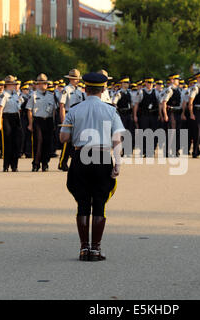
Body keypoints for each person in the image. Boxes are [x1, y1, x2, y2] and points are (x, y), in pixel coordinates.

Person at [60, 72, 124, 262]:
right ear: (103, 89)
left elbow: (63, 138)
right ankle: (95, 249)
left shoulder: (74, 110)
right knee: (99, 204)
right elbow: (117, 138)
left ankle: (83, 249)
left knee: (82, 204)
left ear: (84, 89)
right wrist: (118, 163)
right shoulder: (111, 110)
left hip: (81, 155)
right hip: (102, 156)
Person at [27, 74, 57, 172]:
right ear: (37, 84)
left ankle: (45, 163)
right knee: (38, 142)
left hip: (48, 120)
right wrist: (30, 123)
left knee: (47, 143)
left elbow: (53, 110)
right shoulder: (33, 95)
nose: (43, 85)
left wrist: (53, 122)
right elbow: (29, 110)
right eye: (41, 83)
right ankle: (36, 164)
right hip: (38, 120)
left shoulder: (51, 96)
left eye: (45, 83)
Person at [59, 69, 85, 171]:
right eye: (75, 79)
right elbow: (62, 105)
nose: (77, 80)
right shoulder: (66, 89)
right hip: (69, 115)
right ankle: (62, 163)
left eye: (78, 78)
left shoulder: (80, 90)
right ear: (70, 79)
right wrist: (63, 120)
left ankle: (76, 163)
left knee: (77, 141)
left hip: (78, 116)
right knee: (67, 141)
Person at [0, 76, 22, 172]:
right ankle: (6, 165)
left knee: (16, 143)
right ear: (8, 85)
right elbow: (0, 109)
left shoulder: (16, 95)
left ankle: (14, 165)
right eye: (13, 84)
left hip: (16, 118)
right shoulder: (4, 95)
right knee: (7, 143)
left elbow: (19, 108)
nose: (15, 86)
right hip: (6, 118)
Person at [133, 77, 161, 157]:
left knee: (154, 133)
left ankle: (151, 151)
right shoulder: (141, 92)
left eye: (151, 83)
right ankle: (144, 150)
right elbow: (136, 104)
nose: (150, 84)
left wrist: (160, 115)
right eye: (148, 83)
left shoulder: (156, 92)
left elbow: (159, 104)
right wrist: (135, 115)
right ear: (145, 83)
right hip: (144, 115)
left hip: (154, 115)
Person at [112, 77, 135, 157]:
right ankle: (122, 151)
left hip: (128, 114)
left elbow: (132, 103)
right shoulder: (119, 93)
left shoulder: (129, 93)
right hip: (122, 114)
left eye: (128, 83)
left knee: (128, 133)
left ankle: (128, 151)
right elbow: (114, 103)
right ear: (122, 84)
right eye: (125, 83)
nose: (127, 84)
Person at [160, 74, 182, 157]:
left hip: (177, 112)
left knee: (177, 132)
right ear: (172, 80)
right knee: (171, 132)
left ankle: (176, 151)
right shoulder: (169, 90)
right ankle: (167, 151)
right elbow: (164, 102)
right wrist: (165, 115)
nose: (178, 80)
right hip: (171, 112)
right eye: (176, 79)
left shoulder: (178, 90)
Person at [19, 84, 32, 158]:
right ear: (22, 90)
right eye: (25, 89)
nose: (27, 91)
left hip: (28, 117)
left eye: (28, 89)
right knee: (22, 135)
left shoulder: (29, 97)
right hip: (23, 117)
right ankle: (21, 151)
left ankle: (28, 152)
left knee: (28, 135)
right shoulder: (21, 97)